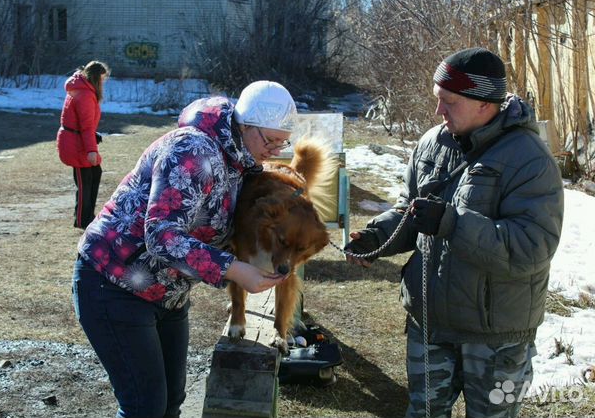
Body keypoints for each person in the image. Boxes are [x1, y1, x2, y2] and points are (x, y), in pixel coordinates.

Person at [345, 48, 564, 417]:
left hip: (498, 340)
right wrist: (376, 238)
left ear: (484, 103)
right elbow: (411, 211)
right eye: (437, 100)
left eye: (449, 101)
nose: (438, 112)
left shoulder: (530, 159)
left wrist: (453, 224)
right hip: (430, 325)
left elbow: (531, 246)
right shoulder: (432, 143)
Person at [72, 80, 297, 418]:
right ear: (245, 125)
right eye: (270, 141)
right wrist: (234, 270)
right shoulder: (193, 150)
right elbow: (162, 234)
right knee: (144, 407)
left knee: (169, 404)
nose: (275, 151)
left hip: (168, 292)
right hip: (113, 282)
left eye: (283, 143)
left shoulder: (239, 162)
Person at [56, 60, 110, 229]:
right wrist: (91, 150)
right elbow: (85, 126)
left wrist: (93, 136)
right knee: (84, 180)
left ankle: (88, 215)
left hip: (78, 139)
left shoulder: (84, 89)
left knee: (95, 173)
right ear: (95, 78)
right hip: (75, 143)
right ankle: (81, 220)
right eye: (102, 79)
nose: (103, 83)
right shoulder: (85, 94)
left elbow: (82, 124)